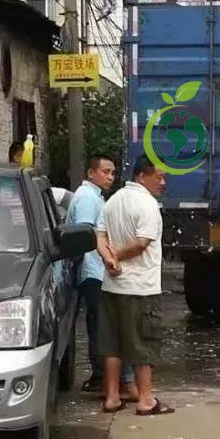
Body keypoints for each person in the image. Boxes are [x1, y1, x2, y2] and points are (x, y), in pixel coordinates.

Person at [96, 154, 173, 415]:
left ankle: (112, 397)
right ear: (142, 176)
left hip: (112, 286)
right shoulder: (147, 205)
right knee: (143, 343)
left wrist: (108, 259)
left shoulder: (112, 201)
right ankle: (146, 400)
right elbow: (142, 243)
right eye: (159, 177)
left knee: (112, 345)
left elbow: (99, 235)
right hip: (140, 289)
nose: (163, 183)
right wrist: (116, 256)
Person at [65, 154, 137, 400]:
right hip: (94, 271)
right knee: (101, 329)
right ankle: (103, 378)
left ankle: (103, 378)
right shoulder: (86, 198)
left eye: (113, 173)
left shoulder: (94, 197)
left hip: (97, 269)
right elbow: (85, 236)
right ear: (90, 173)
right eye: (105, 172)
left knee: (101, 327)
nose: (110, 177)